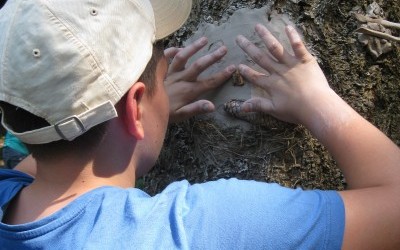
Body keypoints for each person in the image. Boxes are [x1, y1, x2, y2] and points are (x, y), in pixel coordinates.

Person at [0, 0, 399, 249]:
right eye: (159, 60)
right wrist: (318, 102)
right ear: (135, 105)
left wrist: (137, 119)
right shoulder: (197, 231)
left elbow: (52, 161)